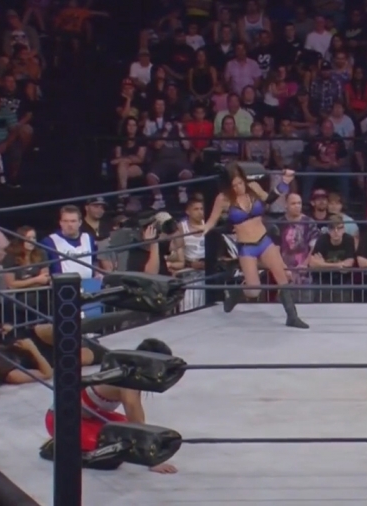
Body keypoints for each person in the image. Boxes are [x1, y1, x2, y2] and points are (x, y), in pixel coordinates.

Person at [42, 338, 177, 474]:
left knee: (124, 429)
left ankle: (70, 443)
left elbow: (136, 416)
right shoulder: (128, 378)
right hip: (62, 420)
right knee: (111, 455)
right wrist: (151, 459)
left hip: (88, 417)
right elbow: (135, 416)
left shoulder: (132, 373)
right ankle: (57, 448)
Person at [204, 163, 308, 328]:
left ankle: (292, 317)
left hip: (264, 240)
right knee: (254, 290)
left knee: (282, 277)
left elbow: (270, 199)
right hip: (247, 247)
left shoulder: (253, 187)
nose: (238, 187)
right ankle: (236, 293)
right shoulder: (223, 199)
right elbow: (211, 221)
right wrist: (201, 230)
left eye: (240, 183)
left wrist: (285, 182)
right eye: (234, 185)